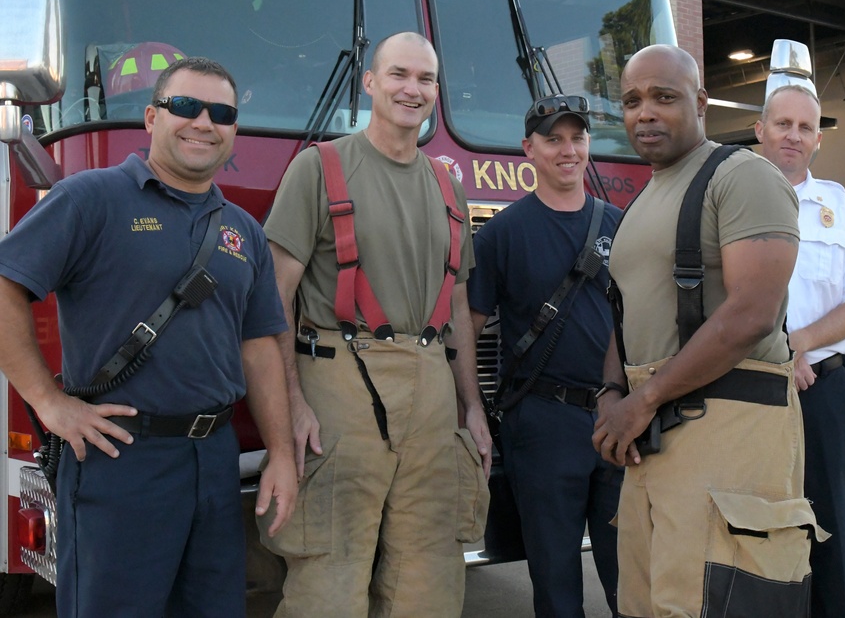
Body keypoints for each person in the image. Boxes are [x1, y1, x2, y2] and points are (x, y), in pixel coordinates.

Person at [0, 56, 298, 617]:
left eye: (222, 113)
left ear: (234, 129)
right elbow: (4, 286)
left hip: (214, 461)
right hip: (119, 459)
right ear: (150, 118)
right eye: (185, 107)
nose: (203, 123)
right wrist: (47, 401)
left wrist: (280, 452)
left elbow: (259, 346)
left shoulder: (243, 232)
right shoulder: (90, 198)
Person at [260, 32, 491, 617]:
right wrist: (291, 405)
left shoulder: (449, 187)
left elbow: (459, 306)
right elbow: (272, 300)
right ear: (370, 82)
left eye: (425, 79)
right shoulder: (319, 168)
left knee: (431, 574)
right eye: (398, 75)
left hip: (434, 394)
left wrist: (473, 410)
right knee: (328, 576)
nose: (412, 89)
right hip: (338, 388)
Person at [592, 44, 821, 617]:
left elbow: (752, 315)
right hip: (652, 436)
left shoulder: (743, 177)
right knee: (648, 602)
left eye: (663, 97)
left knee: (709, 604)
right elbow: (628, 315)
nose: (645, 112)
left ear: (699, 102)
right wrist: (611, 395)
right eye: (632, 100)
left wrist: (642, 398)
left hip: (726, 426)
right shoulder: (645, 196)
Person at [467, 95, 624, 617]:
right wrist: (472, 408)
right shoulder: (500, 235)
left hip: (617, 418)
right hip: (541, 422)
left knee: (634, 579)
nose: (568, 149)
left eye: (577, 137)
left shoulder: (620, 226)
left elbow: (644, 320)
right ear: (528, 149)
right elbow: (463, 331)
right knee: (556, 588)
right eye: (553, 139)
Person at [755, 83, 845, 618]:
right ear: (760, 130)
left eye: (805, 127)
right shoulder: (723, 194)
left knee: (832, 526)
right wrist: (774, 354)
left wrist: (798, 345)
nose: (793, 135)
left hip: (824, 392)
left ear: (817, 138)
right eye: (782, 123)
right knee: (752, 526)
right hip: (747, 391)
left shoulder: (840, 205)